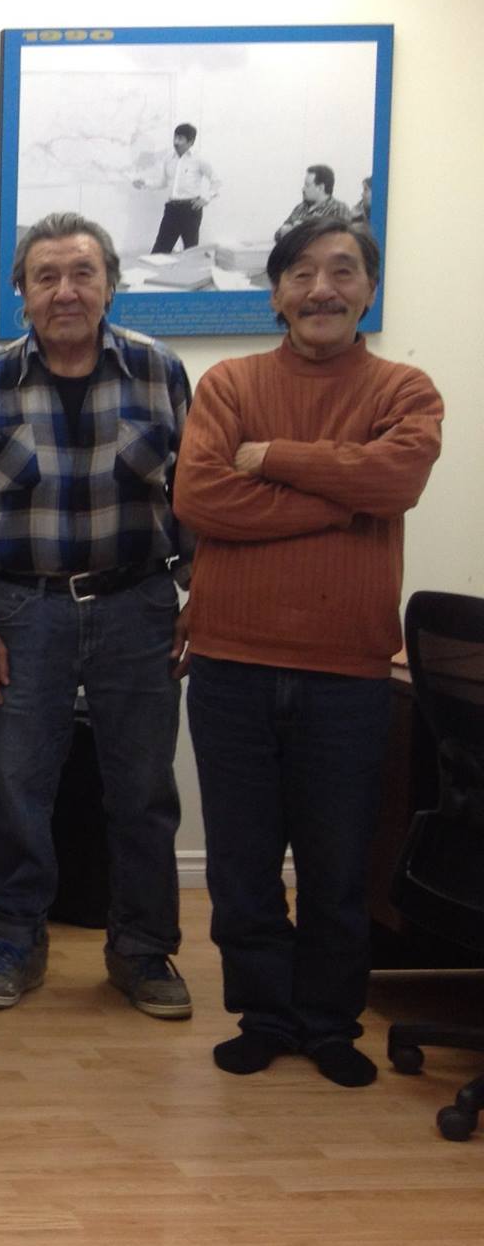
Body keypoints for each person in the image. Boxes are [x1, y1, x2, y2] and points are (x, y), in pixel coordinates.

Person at [175, 218, 442, 1087]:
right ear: (276, 293)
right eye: (301, 273)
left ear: (369, 289)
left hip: (348, 674)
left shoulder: (405, 389)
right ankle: (264, 1013)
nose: (321, 288)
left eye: (342, 271)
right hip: (231, 665)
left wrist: (275, 459)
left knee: (337, 865)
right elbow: (202, 500)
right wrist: (344, 495)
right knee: (242, 864)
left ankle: (329, 1023)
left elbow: (397, 479)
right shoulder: (229, 384)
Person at [0, 211, 194, 1016]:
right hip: (23, 611)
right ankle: (13, 939)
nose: (66, 291)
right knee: (17, 783)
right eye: (45, 277)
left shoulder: (159, 372)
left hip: (138, 605)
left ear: (111, 284)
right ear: (21, 293)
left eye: (83, 273)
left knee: (143, 789)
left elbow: (194, 502)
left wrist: (202, 600)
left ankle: (143, 950)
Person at [131, 123, 220, 254]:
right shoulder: (168, 158)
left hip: (191, 209)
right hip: (172, 209)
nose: (176, 142)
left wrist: (206, 198)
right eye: (175, 137)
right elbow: (162, 182)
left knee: (190, 251)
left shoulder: (199, 159)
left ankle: (190, 267)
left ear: (191, 141)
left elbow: (216, 181)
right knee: (160, 250)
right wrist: (144, 183)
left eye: (180, 139)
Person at [273, 164, 352, 242]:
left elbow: (340, 239)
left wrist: (298, 229)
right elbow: (278, 235)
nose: (303, 189)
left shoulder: (339, 208)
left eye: (307, 185)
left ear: (320, 188)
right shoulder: (300, 208)